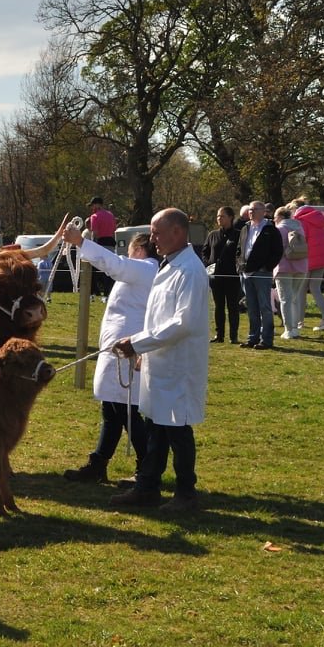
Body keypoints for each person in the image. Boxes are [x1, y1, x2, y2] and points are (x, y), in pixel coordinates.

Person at [107, 208, 210, 512]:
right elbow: (157, 317)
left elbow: (183, 323)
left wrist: (137, 343)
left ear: (178, 232)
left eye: (157, 232)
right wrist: (143, 352)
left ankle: (186, 493)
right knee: (156, 427)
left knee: (177, 428)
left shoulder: (190, 271)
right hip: (160, 361)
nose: (152, 239)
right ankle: (147, 487)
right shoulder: (170, 266)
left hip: (178, 364)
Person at [59, 225, 158, 484]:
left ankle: (147, 468)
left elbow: (115, 264)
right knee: (112, 409)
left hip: (127, 349)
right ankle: (99, 464)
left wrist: (81, 242)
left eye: (130, 249)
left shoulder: (146, 268)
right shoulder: (145, 271)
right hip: (118, 348)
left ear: (139, 248)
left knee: (126, 410)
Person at [238, 201, 282, 349]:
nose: (251, 212)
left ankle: (266, 340)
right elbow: (240, 249)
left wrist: (267, 267)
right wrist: (240, 266)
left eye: (254, 209)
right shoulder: (245, 228)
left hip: (262, 273)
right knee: (251, 307)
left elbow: (277, 251)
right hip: (246, 273)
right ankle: (253, 338)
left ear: (263, 211)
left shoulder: (270, 229)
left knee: (265, 307)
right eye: (250, 209)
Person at [291, 198, 324, 331]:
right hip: (321, 258)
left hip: (308, 259)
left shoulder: (300, 221)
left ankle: (299, 322)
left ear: (296, 209)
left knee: (301, 291)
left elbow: (300, 242)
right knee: (316, 288)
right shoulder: (318, 217)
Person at [202, 207, 243, 343]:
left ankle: (233, 336)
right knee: (218, 306)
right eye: (218, 216)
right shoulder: (212, 235)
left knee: (232, 306)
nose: (219, 218)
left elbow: (241, 253)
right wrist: (209, 263)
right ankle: (219, 335)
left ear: (231, 217)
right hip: (216, 277)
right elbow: (205, 251)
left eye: (223, 216)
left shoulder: (238, 234)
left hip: (232, 277)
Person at [274, 206, 309, 340]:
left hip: (284, 267)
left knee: (285, 300)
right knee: (294, 298)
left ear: (281, 217)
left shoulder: (279, 229)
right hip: (301, 266)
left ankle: (289, 329)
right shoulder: (299, 228)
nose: (274, 219)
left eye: (275, 217)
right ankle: (295, 328)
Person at [86, 196, 118, 296]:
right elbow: (113, 231)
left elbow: (94, 233)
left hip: (100, 242)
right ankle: (108, 293)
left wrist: (92, 245)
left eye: (92, 205)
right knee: (108, 269)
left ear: (96, 205)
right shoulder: (111, 215)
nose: (92, 208)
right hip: (111, 243)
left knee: (95, 269)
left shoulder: (95, 216)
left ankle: (94, 292)